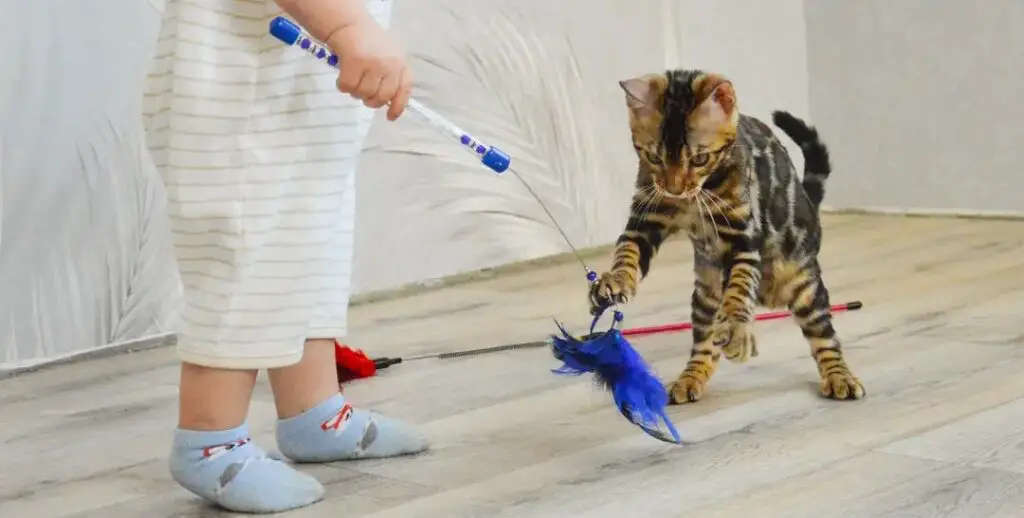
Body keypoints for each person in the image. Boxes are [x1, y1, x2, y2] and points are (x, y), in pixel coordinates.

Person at [144, 0, 427, 513]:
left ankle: (314, 411)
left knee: (306, 251)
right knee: (247, 257)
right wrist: (348, 24)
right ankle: (209, 442)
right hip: (245, 99)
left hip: (302, 95)